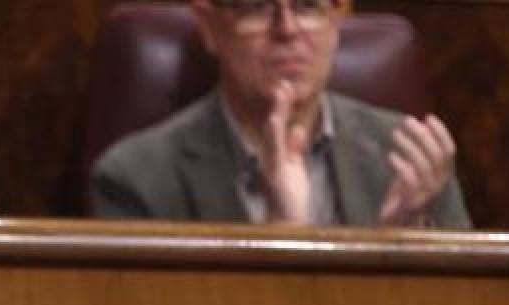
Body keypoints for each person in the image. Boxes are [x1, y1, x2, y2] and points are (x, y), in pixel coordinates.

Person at [90, 0, 470, 228]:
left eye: (307, 5)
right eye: (257, 6)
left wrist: (401, 250)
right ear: (209, 24)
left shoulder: (411, 160)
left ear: (339, 15)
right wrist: (282, 238)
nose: (287, 29)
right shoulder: (135, 178)